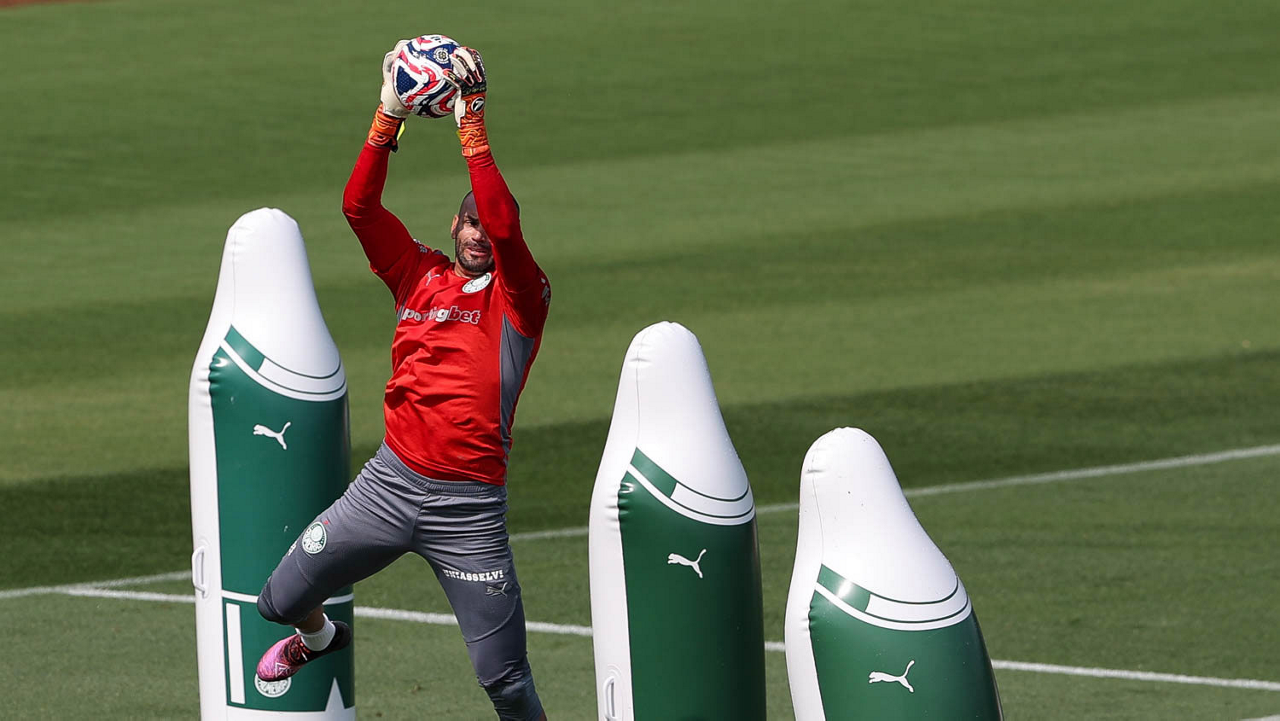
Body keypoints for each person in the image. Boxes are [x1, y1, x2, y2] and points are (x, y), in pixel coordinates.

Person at [252, 41, 551, 721]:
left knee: (505, 680)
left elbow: (507, 226)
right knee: (278, 599)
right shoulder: (418, 272)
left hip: (468, 509)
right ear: (455, 224)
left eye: (487, 226)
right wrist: (388, 113)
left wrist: (472, 124)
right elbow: (358, 207)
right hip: (387, 485)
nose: (480, 234)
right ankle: (318, 638)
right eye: (470, 222)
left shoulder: (522, 298)